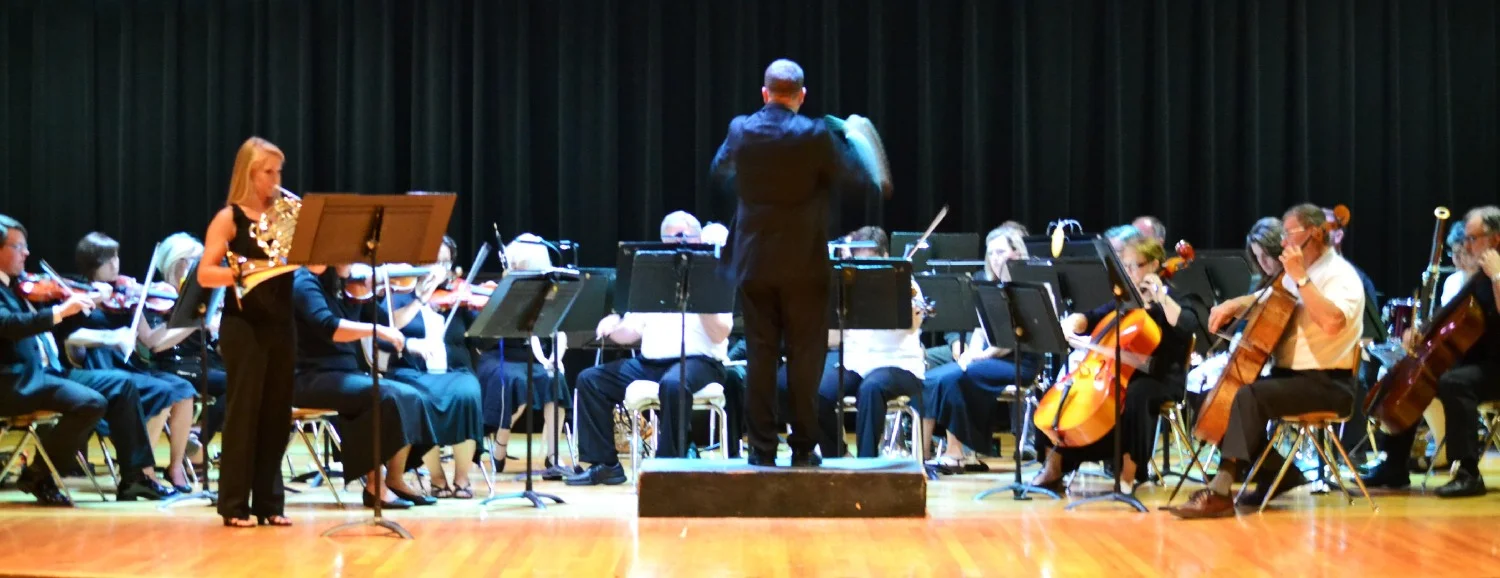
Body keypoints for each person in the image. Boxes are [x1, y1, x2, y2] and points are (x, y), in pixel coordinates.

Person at [710, 58, 879, 467]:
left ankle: (762, 451)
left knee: (760, 355)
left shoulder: (740, 129)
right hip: (804, 265)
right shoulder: (815, 134)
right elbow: (859, 178)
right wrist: (852, 136)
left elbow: (720, 169)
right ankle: (804, 448)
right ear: (801, 97)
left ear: (764, 94)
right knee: (806, 358)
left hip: (754, 264)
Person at [1172, 204, 1365, 519]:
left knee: (1249, 396)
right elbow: (1270, 301)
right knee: (1216, 395)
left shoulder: (1340, 275)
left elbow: (1332, 322)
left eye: (1289, 233)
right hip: (1290, 378)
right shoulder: (1300, 274)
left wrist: (1301, 279)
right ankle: (1277, 474)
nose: (1284, 241)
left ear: (1315, 233)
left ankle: (1221, 491)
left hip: (1328, 383)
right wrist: (1236, 303)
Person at [0, 214, 166, 505]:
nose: (26, 253)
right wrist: (60, 311)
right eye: (18, 247)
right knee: (90, 402)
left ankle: (134, 478)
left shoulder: (18, 284)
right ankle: (38, 473)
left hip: (46, 373)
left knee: (123, 385)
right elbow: (10, 325)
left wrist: (73, 302)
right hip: (15, 381)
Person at [567, 212, 733, 485]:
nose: (677, 244)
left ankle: (668, 465)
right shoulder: (652, 277)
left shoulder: (714, 273)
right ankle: (606, 465)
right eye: (671, 238)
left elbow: (721, 333)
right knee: (590, 380)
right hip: (651, 363)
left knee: (673, 383)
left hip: (701, 362)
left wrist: (698, 295)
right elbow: (631, 332)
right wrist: (614, 326)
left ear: (697, 237)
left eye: (684, 236)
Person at [1027, 235, 1203, 491]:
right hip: (1116, 374)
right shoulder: (1126, 301)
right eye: (1124, 266)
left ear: (1154, 265)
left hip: (1161, 377)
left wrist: (1161, 298)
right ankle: (1053, 468)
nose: (1127, 272)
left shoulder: (1177, 298)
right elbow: (1091, 317)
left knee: (1138, 394)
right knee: (1058, 391)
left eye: (1133, 266)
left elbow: (1187, 325)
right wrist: (1075, 322)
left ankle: (1128, 474)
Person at [1359, 206, 1500, 497]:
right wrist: (1423, 332)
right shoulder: (1478, 276)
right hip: (1476, 362)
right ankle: (1394, 465)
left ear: (1495, 239)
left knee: (1454, 382)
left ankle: (1468, 472)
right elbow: (1455, 318)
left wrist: (1497, 275)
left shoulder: (1493, 273)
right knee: (1418, 376)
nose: (1467, 245)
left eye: (1473, 238)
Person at [197, 136, 299, 527]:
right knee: (244, 413)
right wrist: (246, 270)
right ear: (249, 173)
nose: (276, 180)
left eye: (279, 172)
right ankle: (235, 505)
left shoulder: (286, 215)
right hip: (244, 325)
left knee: (277, 413)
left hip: (281, 324)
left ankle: (270, 504)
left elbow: (317, 269)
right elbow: (206, 272)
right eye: (268, 172)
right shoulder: (230, 218)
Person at [290, 265, 438, 508]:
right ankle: (374, 486)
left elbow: (384, 323)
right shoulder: (304, 283)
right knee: (383, 397)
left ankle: (395, 479)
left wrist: (372, 294)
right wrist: (375, 328)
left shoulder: (344, 285)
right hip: (310, 376)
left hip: (344, 373)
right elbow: (329, 327)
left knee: (411, 395)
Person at [61, 231, 198, 493]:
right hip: (100, 369)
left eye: (116, 257)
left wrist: (181, 321)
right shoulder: (78, 297)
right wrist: (108, 337)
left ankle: (176, 466)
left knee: (183, 390)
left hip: (128, 366)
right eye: (107, 260)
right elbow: (71, 343)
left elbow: (151, 340)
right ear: (92, 264)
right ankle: (144, 472)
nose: (115, 264)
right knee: (164, 392)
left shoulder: (125, 295)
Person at [923, 226, 1040, 472]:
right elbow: (979, 329)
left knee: (957, 377)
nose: (995, 258)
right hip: (990, 358)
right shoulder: (986, 284)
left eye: (1000, 252)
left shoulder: (1029, 285)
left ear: (1017, 253)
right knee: (933, 377)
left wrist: (976, 358)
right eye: (991, 253)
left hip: (1019, 360)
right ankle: (921, 456)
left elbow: (1009, 343)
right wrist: (969, 354)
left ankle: (957, 453)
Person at [376, 239, 485, 499]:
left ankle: (462, 480)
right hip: (411, 372)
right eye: (431, 260)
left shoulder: (457, 297)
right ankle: (437, 479)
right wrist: (419, 299)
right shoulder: (399, 292)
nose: (437, 267)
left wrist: (481, 308)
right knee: (420, 400)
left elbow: (481, 339)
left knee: (468, 393)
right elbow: (386, 332)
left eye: (444, 261)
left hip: (455, 370)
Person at [473, 234, 569, 476]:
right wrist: (502, 299)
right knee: (512, 381)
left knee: (555, 380)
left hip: (534, 356)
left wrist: (556, 358)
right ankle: (499, 450)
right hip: (499, 355)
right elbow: (481, 340)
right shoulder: (501, 289)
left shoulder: (549, 292)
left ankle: (553, 457)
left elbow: (560, 332)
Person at [138, 233, 228, 481]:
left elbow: (218, 347)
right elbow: (156, 344)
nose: (194, 267)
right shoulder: (155, 296)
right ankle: (196, 450)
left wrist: (224, 330)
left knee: (243, 383)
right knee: (233, 384)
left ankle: (199, 438)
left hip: (203, 363)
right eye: (189, 260)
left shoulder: (200, 297)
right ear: (173, 262)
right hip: (171, 367)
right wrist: (196, 322)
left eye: (198, 260)